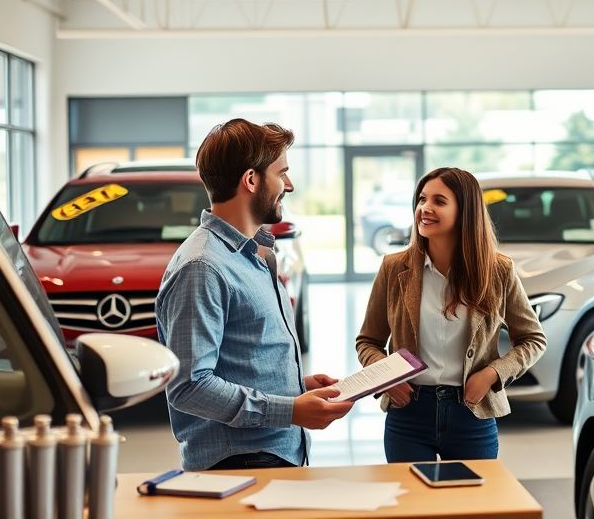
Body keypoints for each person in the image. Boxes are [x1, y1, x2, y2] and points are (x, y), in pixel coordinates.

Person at [156, 119, 352, 471]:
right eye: (282, 173)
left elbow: (241, 357)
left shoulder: (251, 255)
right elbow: (189, 387)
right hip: (240, 465)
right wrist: (291, 409)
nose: (288, 185)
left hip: (270, 455)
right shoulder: (203, 266)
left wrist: (294, 385)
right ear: (251, 179)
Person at [356, 167, 547, 463]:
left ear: (465, 212)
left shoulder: (498, 271)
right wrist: (387, 379)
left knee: (472, 507)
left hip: (472, 412)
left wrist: (493, 373)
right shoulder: (394, 269)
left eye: (439, 201)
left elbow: (533, 339)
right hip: (408, 412)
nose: (425, 208)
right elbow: (368, 341)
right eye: (421, 199)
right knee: (413, 507)